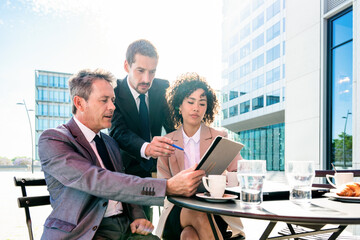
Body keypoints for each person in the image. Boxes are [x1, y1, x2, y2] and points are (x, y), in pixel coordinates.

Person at [38, 69, 205, 240]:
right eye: (104, 100)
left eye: (113, 100)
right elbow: (100, 181)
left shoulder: (110, 143)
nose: (112, 107)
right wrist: (167, 187)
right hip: (85, 233)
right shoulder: (54, 140)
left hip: (126, 229)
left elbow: (123, 180)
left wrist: (138, 216)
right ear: (79, 103)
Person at [156, 73, 245, 240]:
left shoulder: (220, 137)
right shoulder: (167, 141)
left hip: (213, 208)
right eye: (190, 102)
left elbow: (240, 173)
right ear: (179, 106)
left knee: (189, 236)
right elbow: (163, 185)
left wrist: (224, 181)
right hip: (178, 208)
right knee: (195, 212)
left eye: (202, 103)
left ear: (207, 108)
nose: (196, 108)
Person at [109, 39, 175, 221]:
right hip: (125, 170)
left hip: (156, 171)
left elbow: (173, 127)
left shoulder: (162, 88)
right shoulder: (113, 91)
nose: (147, 79)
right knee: (140, 224)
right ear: (126, 66)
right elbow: (117, 132)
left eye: (152, 72)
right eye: (140, 71)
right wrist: (146, 148)